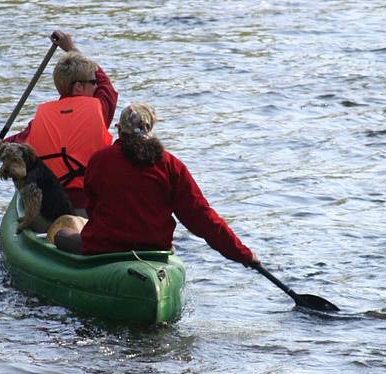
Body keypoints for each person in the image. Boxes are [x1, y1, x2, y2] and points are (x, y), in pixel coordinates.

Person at [55, 103, 259, 270]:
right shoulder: (171, 165)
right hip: (153, 253)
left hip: (104, 251)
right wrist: (243, 254)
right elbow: (202, 218)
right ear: (150, 129)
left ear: (119, 130)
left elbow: (91, 206)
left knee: (61, 235)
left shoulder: (99, 160)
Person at [0, 30, 117, 212]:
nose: (96, 85)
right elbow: (105, 83)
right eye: (92, 82)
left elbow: (14, 145)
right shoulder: (100, 109)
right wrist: (70, 48)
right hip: (89, 206)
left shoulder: (41, 119)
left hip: (49, 207)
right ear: (79, 87)